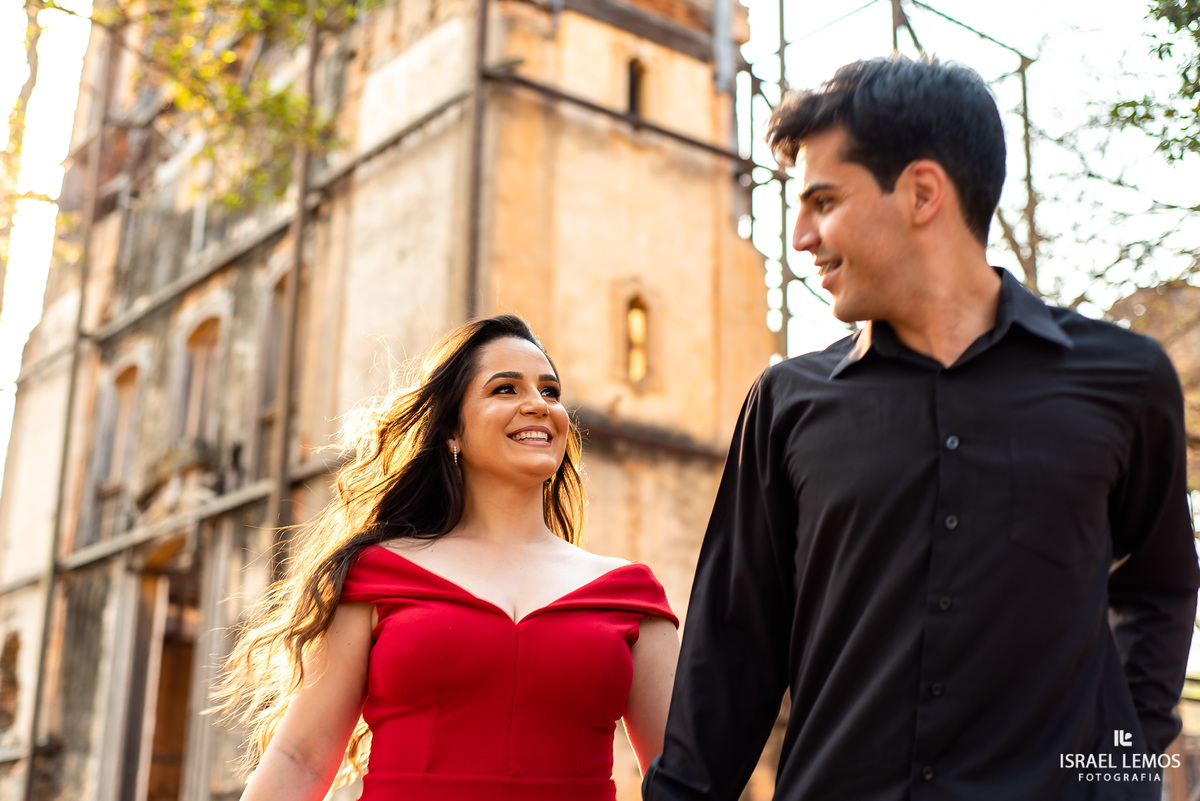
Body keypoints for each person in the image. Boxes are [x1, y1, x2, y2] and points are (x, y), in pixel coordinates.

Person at [643, 57, 1199, 801]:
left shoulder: (1123, 379)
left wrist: (1121, 764)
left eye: (823, 200)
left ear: (922, 192)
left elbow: (1159, 586)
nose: (802, 234)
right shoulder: (786, 402)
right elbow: (730, 647)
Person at [214, 314, 679, 801]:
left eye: (550, 392)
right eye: (505, 389)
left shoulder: (632, 595)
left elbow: (682, 782)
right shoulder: (377, 574)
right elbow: (300, 760)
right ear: (452, 432)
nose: (538, 406)